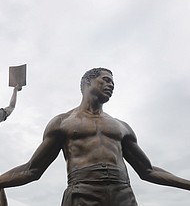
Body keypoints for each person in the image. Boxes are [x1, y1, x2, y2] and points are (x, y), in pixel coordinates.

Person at [0, 68, 190, 206]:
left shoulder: (121, 127)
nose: (111, 85)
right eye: (105, 80)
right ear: (87, 83)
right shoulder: (62, 122)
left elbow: (147, 170)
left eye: (113, 83)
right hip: (82, 194)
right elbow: (32, 170)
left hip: (122, 194)